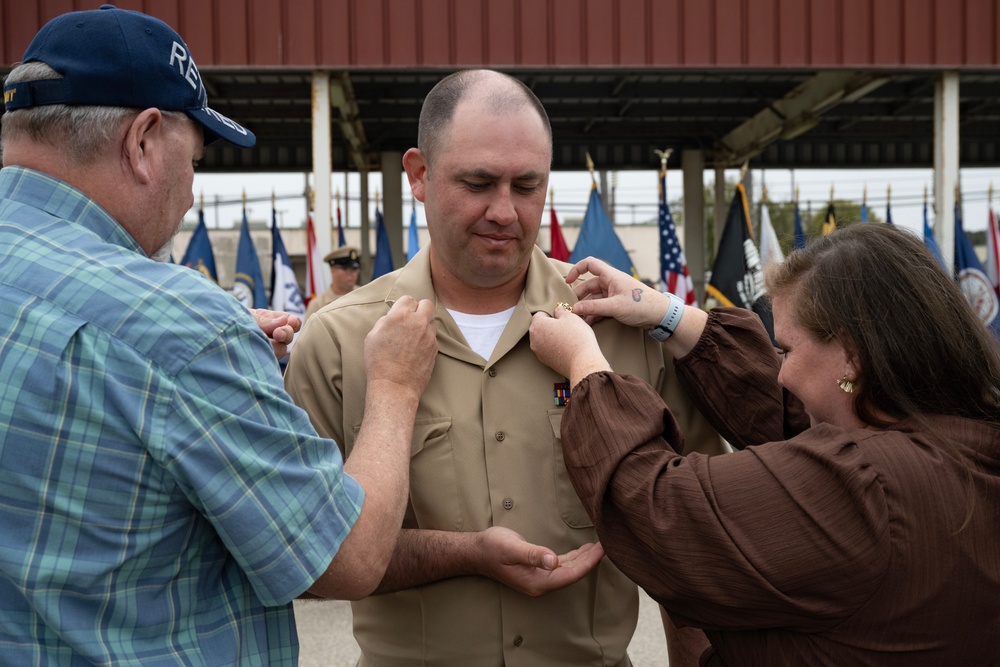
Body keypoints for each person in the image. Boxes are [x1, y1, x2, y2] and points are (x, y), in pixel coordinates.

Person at [0, 6, 437, 665]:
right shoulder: (178, 324)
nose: (189, 195)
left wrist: (207, 367)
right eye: (196, 162)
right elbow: (347, 557)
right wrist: (396, 386)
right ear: (144, 140)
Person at [284, 69, 726, 667]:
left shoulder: (625, 334)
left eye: (527, 186)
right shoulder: (338, 343)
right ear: (418, 175)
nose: (505, 211)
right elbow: (298, 560)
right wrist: (462, 553)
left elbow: (692, 545)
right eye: (478, 182)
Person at [528, 223, 1000, 666]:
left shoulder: (872, 487)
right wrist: (667, 314)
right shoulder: (960, 438)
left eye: (788, 350)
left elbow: (660, 511)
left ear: (852, 356)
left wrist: (584, 362)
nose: (782, 372)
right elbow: (797, 419)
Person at [305, 245, 361, 319]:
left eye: (355, 269)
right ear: (333, 271)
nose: (352, 274)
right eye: (347, 269)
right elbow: (310, 330)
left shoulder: (364, 295)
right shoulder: (318, 305)